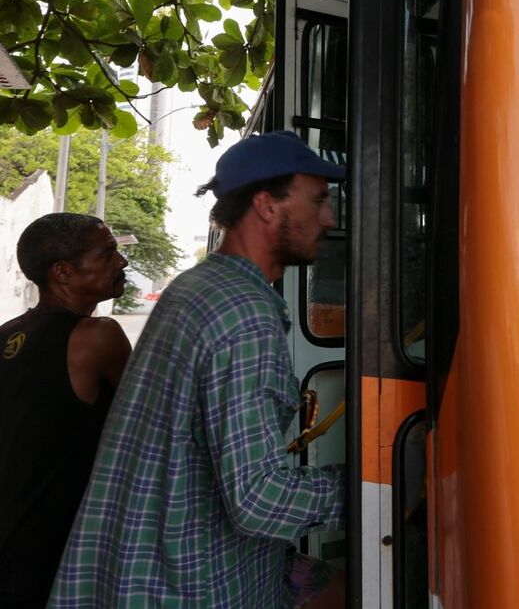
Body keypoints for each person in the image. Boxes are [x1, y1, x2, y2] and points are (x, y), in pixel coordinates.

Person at [49, 131, 346, 608]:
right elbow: (258, 499)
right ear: (267, 205)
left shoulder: (199, 285)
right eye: (318, 201)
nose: (329, 218)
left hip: (141, 564)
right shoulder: (244, 313)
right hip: (188, 582)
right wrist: (376, 486)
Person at [0, 213, 131, 608]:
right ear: (63, 272)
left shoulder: (6, 333)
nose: (121, 263)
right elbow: (155, 419)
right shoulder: (97, 336)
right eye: (107, 254)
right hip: (54, 550)